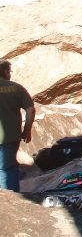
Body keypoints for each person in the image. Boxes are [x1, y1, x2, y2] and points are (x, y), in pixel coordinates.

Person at [0, 60, 35, 192]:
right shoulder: (17, 88)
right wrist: (27, 130)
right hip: (10, 137)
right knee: (7, 169)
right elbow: (30, 110)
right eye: (9, 71)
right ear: (5, 72)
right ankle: (10, 200)